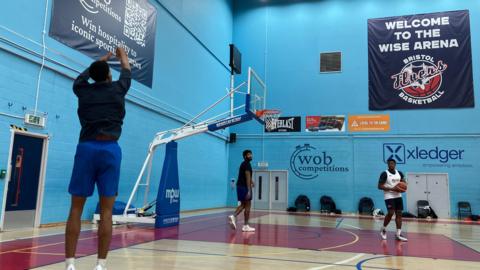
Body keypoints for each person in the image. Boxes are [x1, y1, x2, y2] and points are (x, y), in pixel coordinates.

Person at [65, 47, 131, 270]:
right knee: (106, 211)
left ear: (93, 76)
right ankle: (100, 265)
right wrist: (120, 54)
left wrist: (101, 60)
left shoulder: (82, 91)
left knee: (75, 209)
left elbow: (82, 78)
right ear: (109, 76)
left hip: (86, 149)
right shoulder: (118, 89)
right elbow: (127, 70)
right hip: (110, 150)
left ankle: (70, 264)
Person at [378, 158, 408, 241]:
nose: (390, 165)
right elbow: (379, 186)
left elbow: (404, 183)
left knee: (399, 213)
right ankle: (383, 229)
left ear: (395, 164)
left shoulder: (400, 173)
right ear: (387, 164)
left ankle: (398, 234)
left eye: (392, 163)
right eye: (389, 163)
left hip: (398, 195)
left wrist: (403, 188)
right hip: (389, 195)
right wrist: (393, 189)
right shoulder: (384, 173)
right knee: (391, 213)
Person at [228, 150, 255, 232]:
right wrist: (249, 190)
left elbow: (247, 176)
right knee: (247, 205)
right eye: (249, 154)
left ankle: (234, 217)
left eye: (251, 154)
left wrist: (251, 181)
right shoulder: (247, 164)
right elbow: (247, 177)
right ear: (245, 156)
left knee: (243, 204)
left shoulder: (244, 164)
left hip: (240, 186)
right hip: (244, 187)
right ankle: (245, 225)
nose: (251, 156)